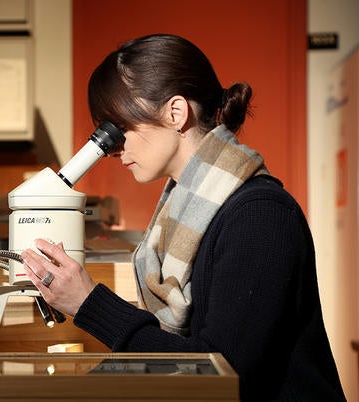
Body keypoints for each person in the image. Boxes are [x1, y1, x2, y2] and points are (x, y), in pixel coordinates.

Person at [20, 33, 346, 401]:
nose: (114, 148)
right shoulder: (180, 211)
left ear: (176, 113)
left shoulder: (260, 217)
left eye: (121, 127)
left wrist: (88, 303)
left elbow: (222, 372)